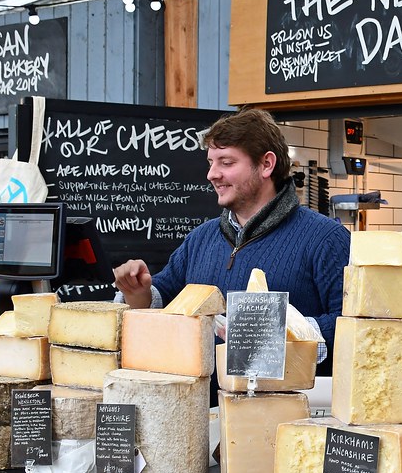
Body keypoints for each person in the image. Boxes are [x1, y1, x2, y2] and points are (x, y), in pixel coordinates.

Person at [112, 107, 350, 388]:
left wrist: (280, 334)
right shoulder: (201, 238)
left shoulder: (325, 238)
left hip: (282, 418)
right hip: (202, 414)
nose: (212, 174)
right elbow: (160, 298)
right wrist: (137, 292)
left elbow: (352, 325)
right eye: (211, 162)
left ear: (266, 165)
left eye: (226, 162)